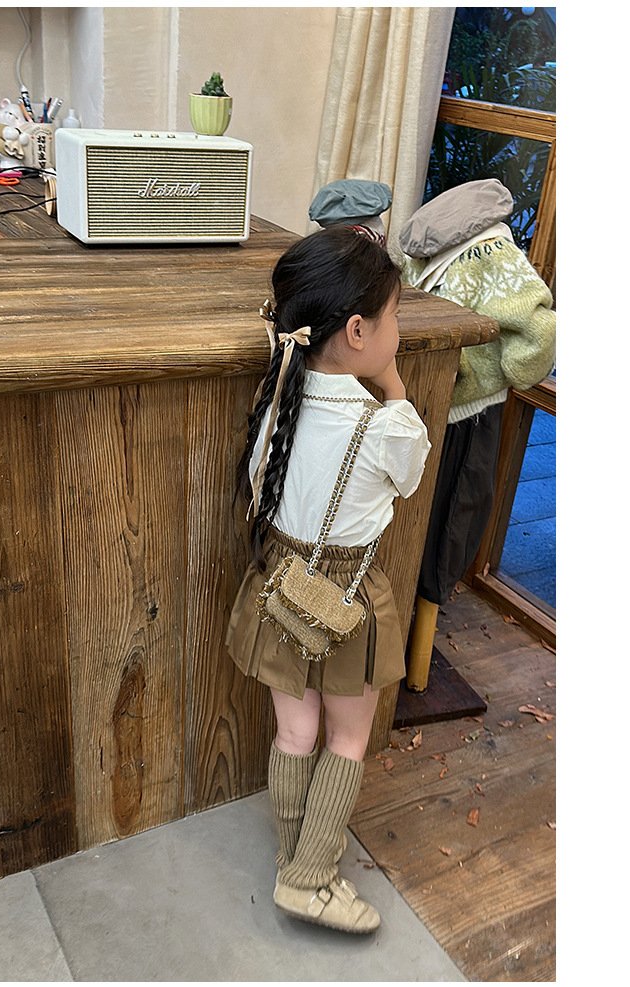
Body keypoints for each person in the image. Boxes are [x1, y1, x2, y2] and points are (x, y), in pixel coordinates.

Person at [226, 225, 431, 934]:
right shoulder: (386, 428)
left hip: (281, 582)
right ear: (357, 331)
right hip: (346, 598)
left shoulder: (277, 399)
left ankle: (292, 854)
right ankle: (310, 878)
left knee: (295, 730)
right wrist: (394, 384)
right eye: (394, 316)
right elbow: (410, 476)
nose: (397, 330)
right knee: (346, 739)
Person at [398, 179, 556, 690]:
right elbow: (539, 333)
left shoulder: (422, 251)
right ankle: (417, 659)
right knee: (454, 520)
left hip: (420, 400)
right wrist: (509, 372)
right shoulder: (497, 254)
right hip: (469, 413)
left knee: (416, 514)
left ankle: (401, 631)